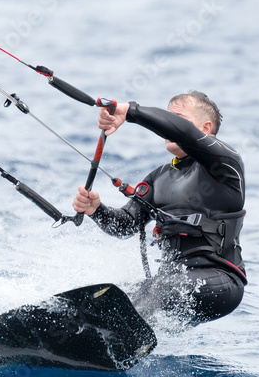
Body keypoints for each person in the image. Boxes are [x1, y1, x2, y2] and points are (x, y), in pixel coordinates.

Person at [72, 90, 246, 325]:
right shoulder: (160, 177)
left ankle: (110, 335)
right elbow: (125, 225)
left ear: (204, 129)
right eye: (167, 118)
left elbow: (182, 131)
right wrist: (96, 209)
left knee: (156, 293)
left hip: (220, 282)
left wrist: (129, 111)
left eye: (176, 119)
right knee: (115, 296)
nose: (167, 128)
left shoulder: (225, 164)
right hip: (169, 284)